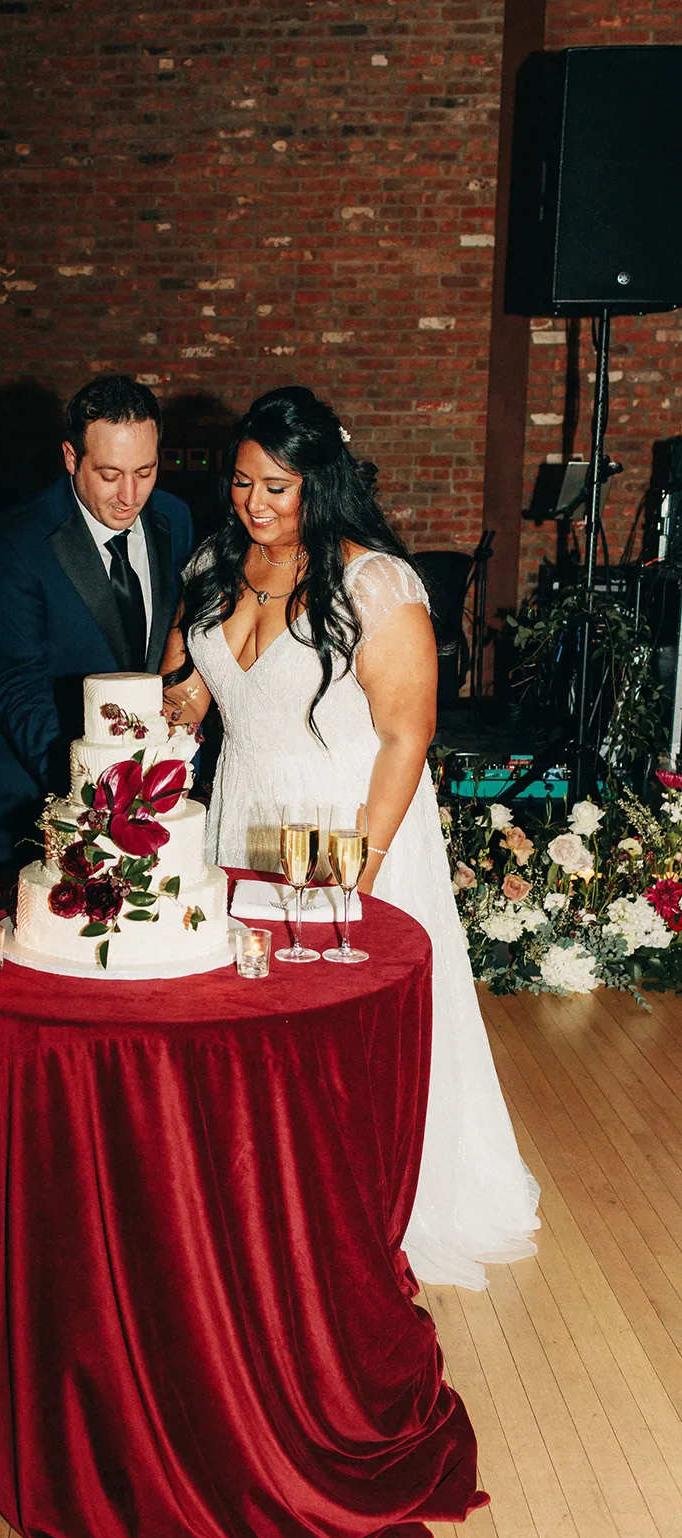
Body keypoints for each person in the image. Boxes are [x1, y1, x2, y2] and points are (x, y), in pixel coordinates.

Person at [161, 387, 539, 1289]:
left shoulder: (376, 584)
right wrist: (170, 710)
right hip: (239, 809)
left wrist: (355, 872)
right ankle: (258, 1206)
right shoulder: (218, 560)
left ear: (319, 484)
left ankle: (353, 1208)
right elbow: (193, 688)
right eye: (244, 482)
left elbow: (409, 734)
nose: (255, 505)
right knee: (248, 1016)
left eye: (278, 488)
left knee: (333, 1022)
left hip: (341, 821)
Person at [0, 375, 194, 871]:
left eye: (146, 471)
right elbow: (17, 688)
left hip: (143, 808)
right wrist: (97, 798)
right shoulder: (11, 544)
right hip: (31, 802)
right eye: (109, 474)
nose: (129, 495)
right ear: (71, 457)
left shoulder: (175, 519)